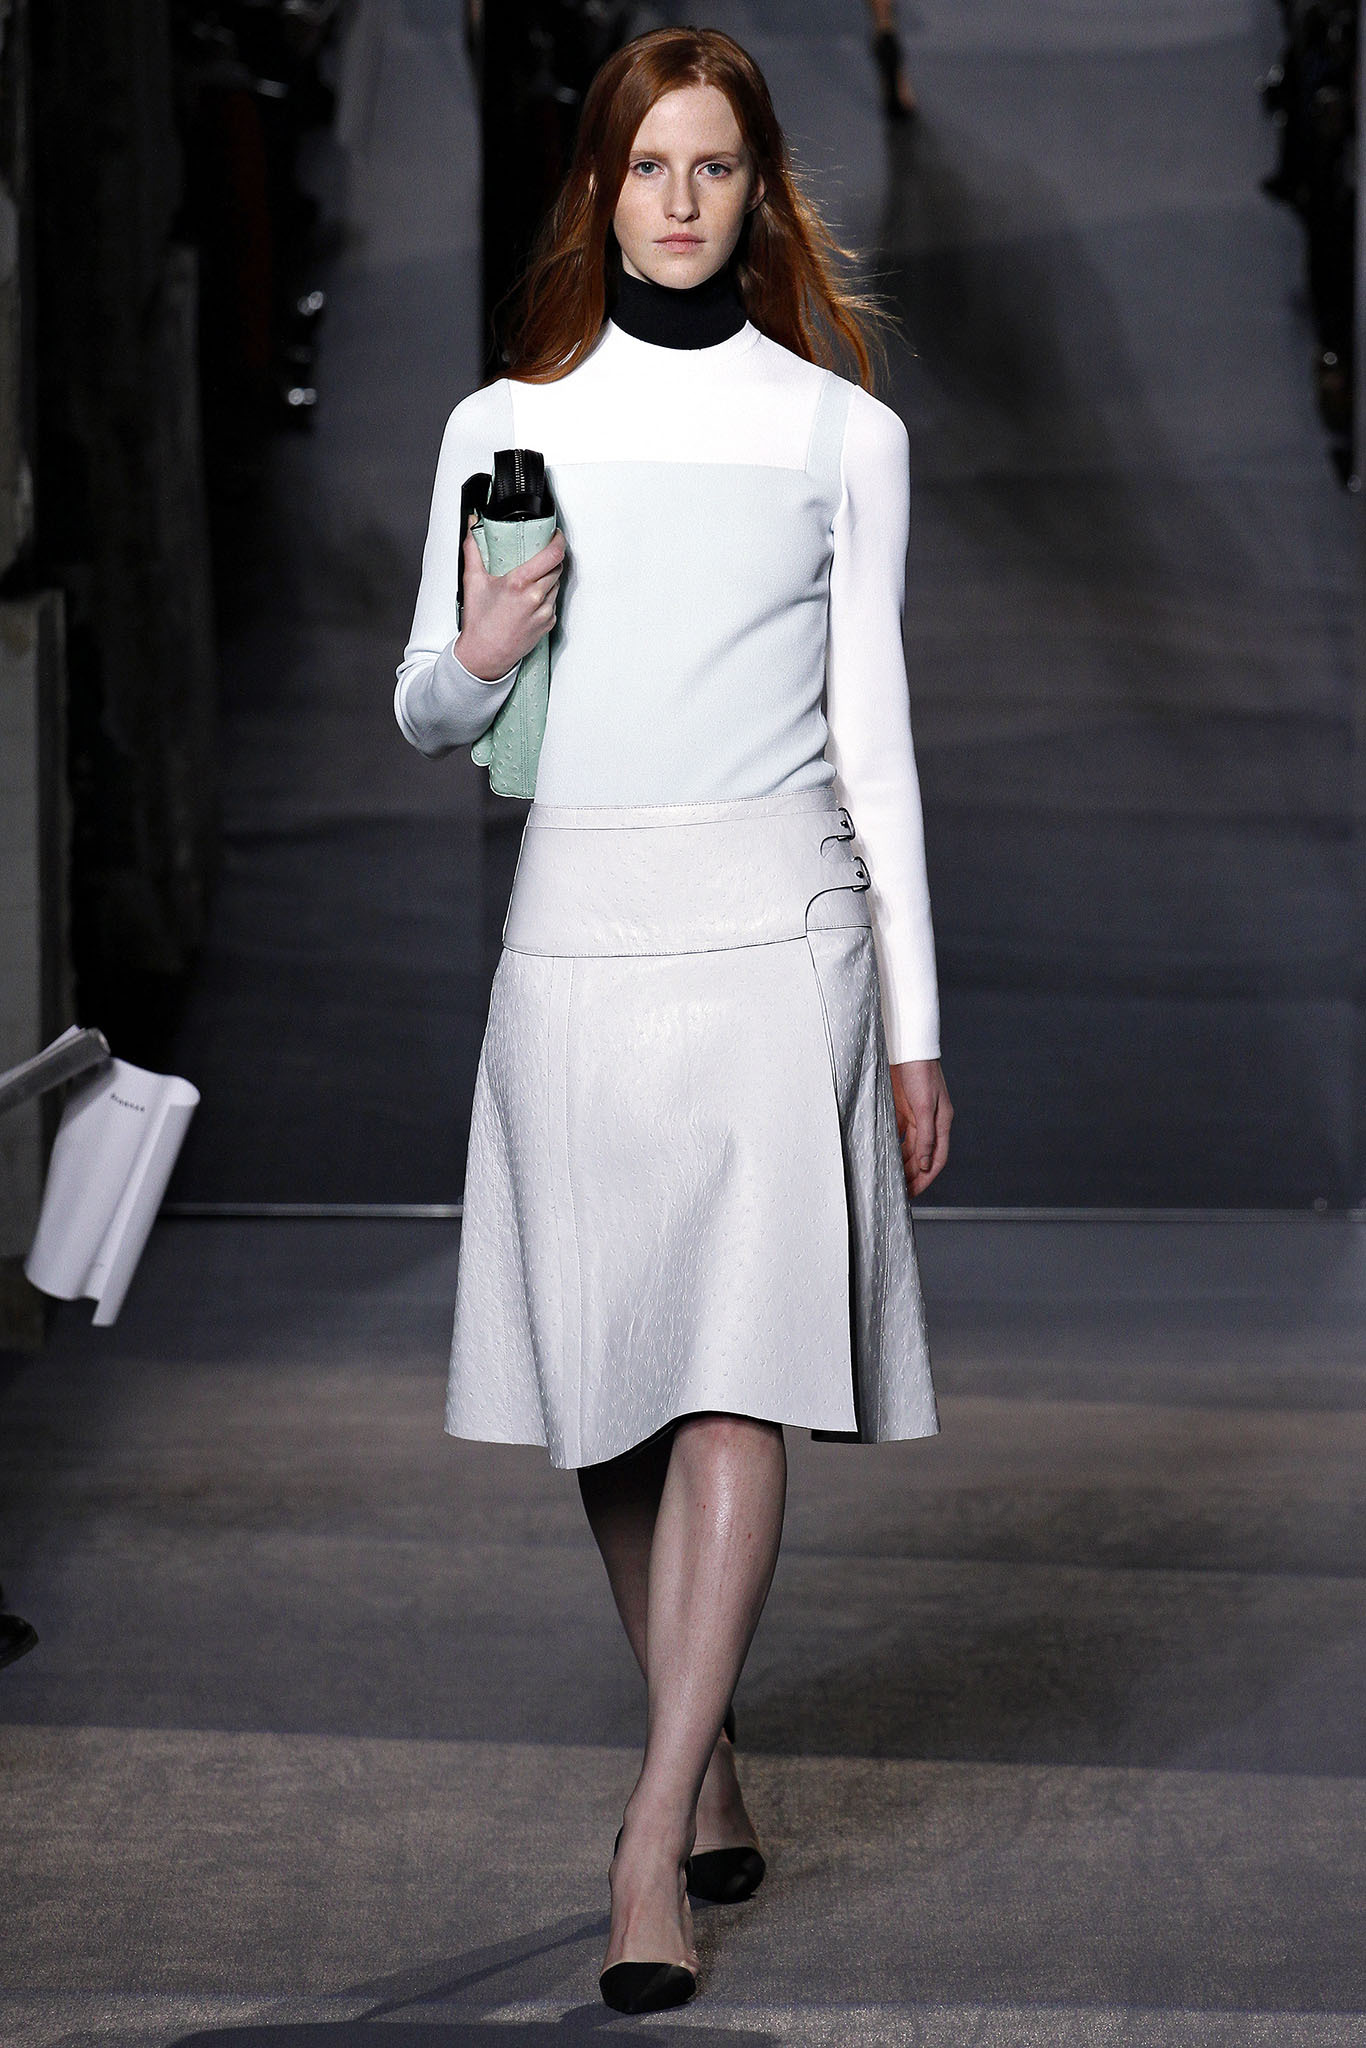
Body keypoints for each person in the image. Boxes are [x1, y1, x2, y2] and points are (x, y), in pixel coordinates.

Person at [394, 25, 952, 2015]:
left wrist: (912, 1022)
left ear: (759, 188)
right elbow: (428, 709)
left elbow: (876, 742)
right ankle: (699, 1743)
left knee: (730, 1377)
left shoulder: (839, 435)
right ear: (601, 190)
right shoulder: (503, 425)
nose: (682, 200)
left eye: (714, 165)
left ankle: (647, 1838)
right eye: (648, 166)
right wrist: (482, 645)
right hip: (577, 929)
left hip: (776, 931)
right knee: (608, 1381)